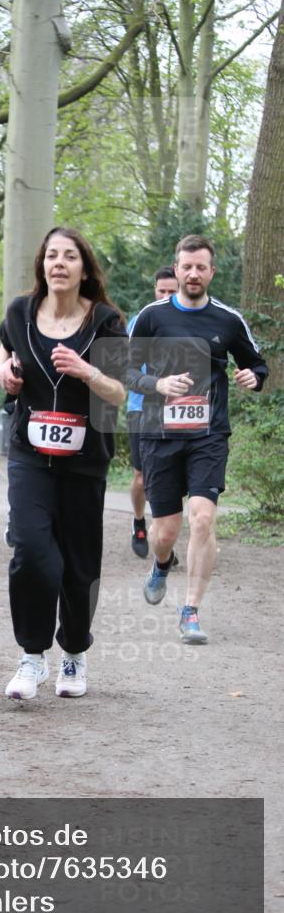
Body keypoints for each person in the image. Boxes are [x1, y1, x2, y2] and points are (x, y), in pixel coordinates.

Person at [0, 226, 127, 701]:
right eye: (51, 255)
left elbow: (121, 392)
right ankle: (32, 657)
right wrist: (3, 373)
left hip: (85, 458)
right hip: (30, 454)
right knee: (32, 550)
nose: (59, 263)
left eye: (69, 256)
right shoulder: (20, 312)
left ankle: (73, 650)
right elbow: (5, 351)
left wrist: (87, 370)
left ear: (84, 268)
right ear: (42, 265)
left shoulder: (106, 321)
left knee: (80, 563)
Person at [128, 234, 268, 644]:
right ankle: (161, 562)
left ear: (211, 272)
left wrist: (251, 378)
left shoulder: (228, 319)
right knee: (165, 531)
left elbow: (257, 365)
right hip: (160, 434)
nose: (192, 274)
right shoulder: (152, 316)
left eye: (200, 267)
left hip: (209, 433)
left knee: (203, 519)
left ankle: (190, 610)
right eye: (185, 267)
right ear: (176, 268)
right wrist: (159, 382)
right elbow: (127, 371)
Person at [127, 267, 179, 558]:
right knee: (142, 477)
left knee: (169, 479)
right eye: (162, 291)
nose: (166, 296)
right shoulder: (141, 320)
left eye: (172, 291)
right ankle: (138, 523)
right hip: (140, 408)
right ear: (154, 290)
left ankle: (163, 539)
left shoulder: (188, 319)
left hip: (178, 410)